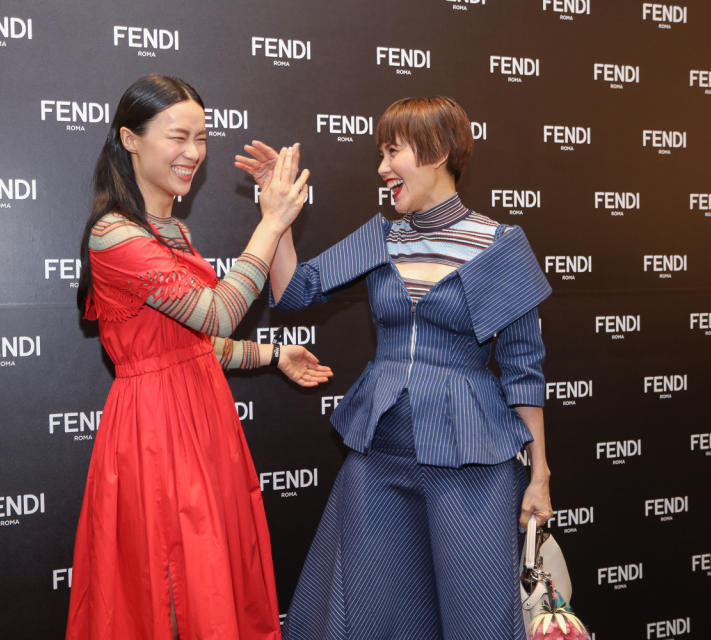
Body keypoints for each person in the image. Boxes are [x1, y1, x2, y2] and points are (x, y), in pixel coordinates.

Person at [235, 96, 553, 639]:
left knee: (477, 621)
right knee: (370, 615)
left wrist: (539, 473)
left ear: (441, 151)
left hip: (471, 465)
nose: (381, 168)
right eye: (380, 153)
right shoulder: (382, 236)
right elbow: (292, 291)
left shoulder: (500, 245)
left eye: (393, 151)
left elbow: (524, 368)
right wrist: (277, 217)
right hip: (379, 457)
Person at [66, 74, 332, 640]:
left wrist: (273, 353)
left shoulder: (172, 232)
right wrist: (271, 222)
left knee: (210, 580)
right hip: (155, 434)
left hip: (203, 420)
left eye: (202, 138)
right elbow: (215, 314)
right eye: (177, 137)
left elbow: (190, 345)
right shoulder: (114, 235)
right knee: (166, 584)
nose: (193, 153)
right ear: (130, 139)